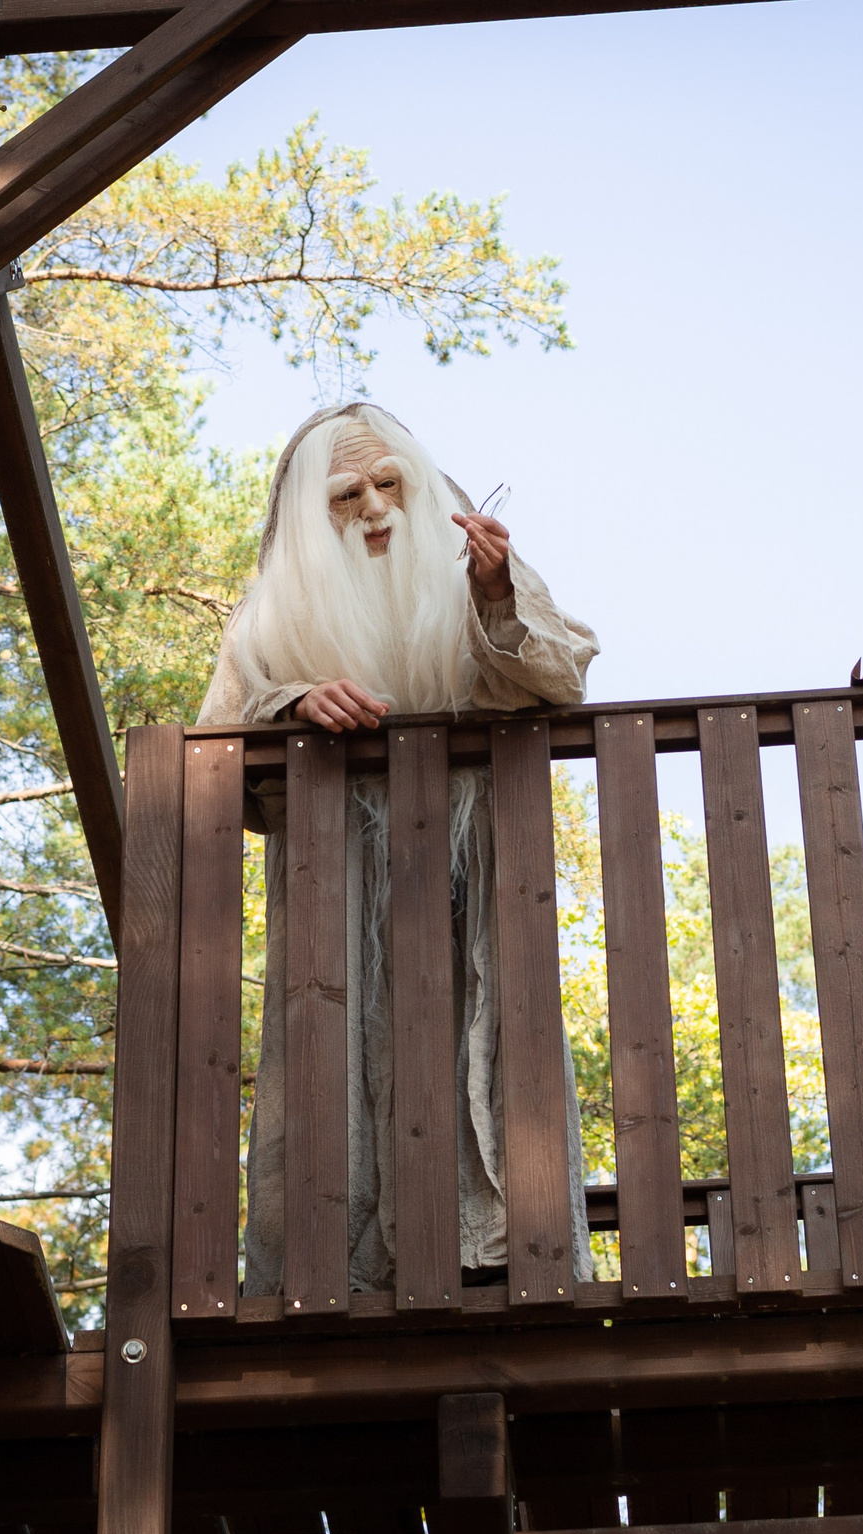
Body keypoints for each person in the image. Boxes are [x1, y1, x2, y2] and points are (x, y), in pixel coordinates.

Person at [198, 402, 600, 1294]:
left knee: (492, 1043)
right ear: (314, 514)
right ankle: (332, 1265)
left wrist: (495, 594)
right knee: (332, 1053)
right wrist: (294, 702)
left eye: (390, 485)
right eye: (347, 495)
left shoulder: (472, 573)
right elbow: (217, 735)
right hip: (336, 880)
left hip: (475, 868)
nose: (376, 508)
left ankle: (502, 1249)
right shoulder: (273, 617)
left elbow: (560, 672)